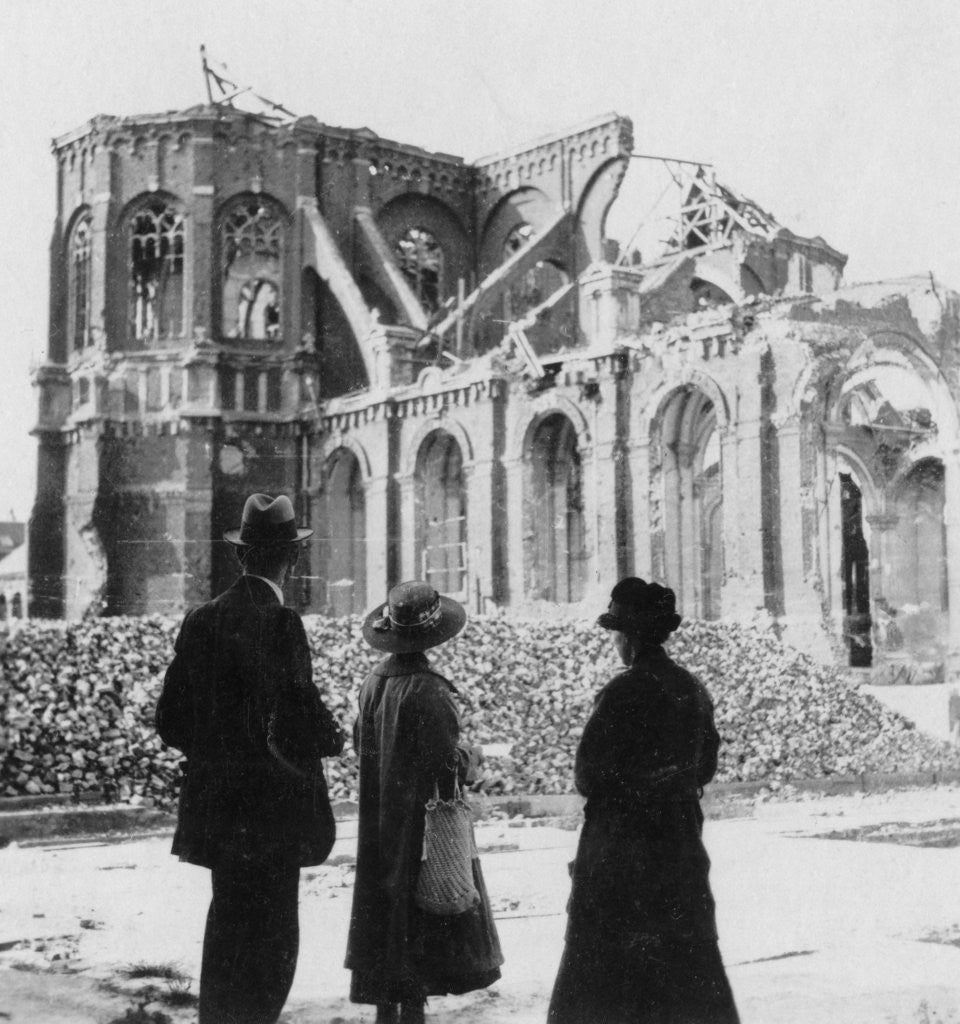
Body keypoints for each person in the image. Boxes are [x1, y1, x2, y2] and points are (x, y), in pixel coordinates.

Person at [156, 493, 345, 1024]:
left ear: (241, 555)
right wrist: (333, 738)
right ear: (291, 558)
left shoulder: (201, 619)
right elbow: (305, 723)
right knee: (271, 947)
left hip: (218, 815)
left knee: (227, 936)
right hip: (273, 818)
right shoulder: (282, 622)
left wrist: (219, 756)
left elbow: (171, 722)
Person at [547, 577, 740, 1024]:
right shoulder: (691, 688)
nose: (614, 641)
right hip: (679, 847)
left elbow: (587, 776)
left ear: (629, 637)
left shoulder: (621, 692)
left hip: (620, 854)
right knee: (685, 966)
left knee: (606, 975)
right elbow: (705, 767)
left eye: (616, 631)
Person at [345, 580, 504, 1024]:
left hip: (379, 821)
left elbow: (362, 744)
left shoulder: (373, 683)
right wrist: (472, 757)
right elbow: (444, 765)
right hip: (421, 825)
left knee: (385, 912)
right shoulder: (430, 689)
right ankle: (411, 1013)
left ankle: (385, 1011)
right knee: (423, 911)